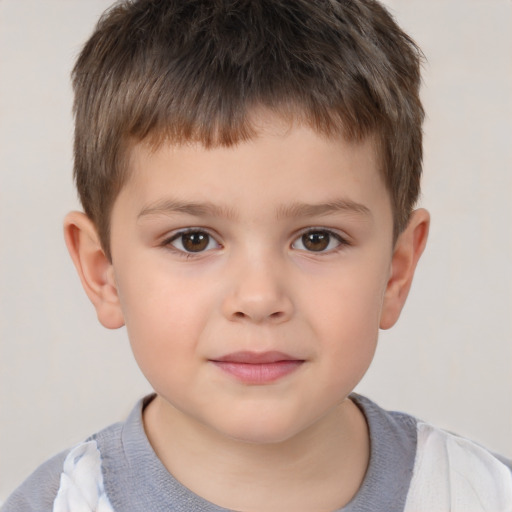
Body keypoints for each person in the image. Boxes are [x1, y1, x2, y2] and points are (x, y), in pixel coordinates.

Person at [2, 0, 511, 511]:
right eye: (192, 240)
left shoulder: (482, 495)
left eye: (317, 239)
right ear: (103, 273)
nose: (260, 297)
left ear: (395, 273)